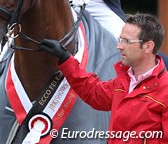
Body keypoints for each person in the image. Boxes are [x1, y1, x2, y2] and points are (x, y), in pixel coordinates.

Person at [40, 13, 168, 143]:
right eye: (120, 40)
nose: (119, 46)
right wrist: (65, 59)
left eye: (127, 41)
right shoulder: (123, 81)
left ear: (148, 46)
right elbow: (93, 92)